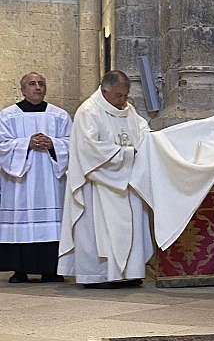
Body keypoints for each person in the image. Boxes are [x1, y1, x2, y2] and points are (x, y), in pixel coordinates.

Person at [58, 70, 153, 288]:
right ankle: (97, 276)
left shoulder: (128, 110)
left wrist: (150, 143)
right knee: (98, 232)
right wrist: (127, 154)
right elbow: (89, 148)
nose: (123, 101)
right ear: (104, 91)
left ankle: (129, 273)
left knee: (129, 228)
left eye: (126, 95)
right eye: (119, 96)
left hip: (126, 181)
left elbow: (143, 130)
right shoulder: (89, 111)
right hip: (98, 184)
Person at [0, 72, 72, 283]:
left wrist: (54, 144)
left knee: (52, 224)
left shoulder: (59, 115)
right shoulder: (7, 116)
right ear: (23, 90)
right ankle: (19, 270)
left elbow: (73, 143)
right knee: (20, 222)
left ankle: (51, 270)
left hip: (51, 182)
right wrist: (26, 144)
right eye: (32, 84)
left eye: (41, 83)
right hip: (19, 184)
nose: (37, 87)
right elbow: (2, 146)